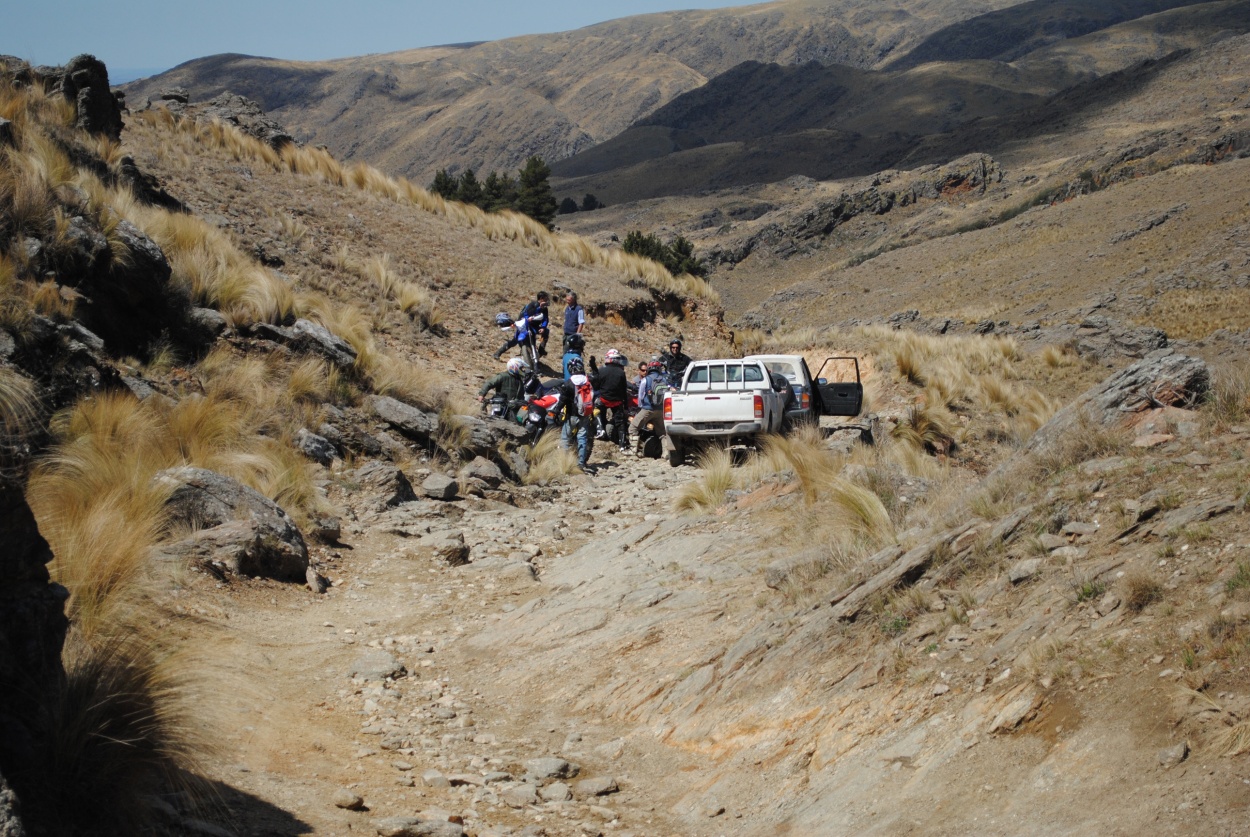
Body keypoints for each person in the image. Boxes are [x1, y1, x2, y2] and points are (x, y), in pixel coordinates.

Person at [557, 356, 595, 472]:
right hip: (585, 414)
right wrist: (593, 366)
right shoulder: (588, 381)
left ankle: (564, 463)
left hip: (571, 415)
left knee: (565, 438)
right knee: (582, 438)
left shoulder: (569, 383)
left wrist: (555, 411)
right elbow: (597, 378)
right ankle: (581, 463)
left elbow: (563, 400)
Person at [590, 349, 629, 452]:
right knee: (620, 423)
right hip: (617, 401)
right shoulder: (621, 372)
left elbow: (596, 386)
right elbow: (624, 389)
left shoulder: (601, 370)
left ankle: (600, 429)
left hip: (604, 399)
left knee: (596, 409)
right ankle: (622, 445)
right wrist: (625, 405)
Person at [495, 290, 550, 360]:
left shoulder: (545, 309)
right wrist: (539, 308)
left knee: (546, 332)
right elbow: (527, 315)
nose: (547, 300)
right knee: (515, 341)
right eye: (545, 299)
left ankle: (541, 350)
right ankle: (498, 353)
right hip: (525, 325)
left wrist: (543, 327)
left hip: (534, 327)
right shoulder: (532, 305)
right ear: (541, 298)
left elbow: (545, 319)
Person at [631, 358, 667, 457]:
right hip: (660, 410)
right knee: (663, 433)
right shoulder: (664, 379)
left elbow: (641, 395)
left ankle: (634, 451)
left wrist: (640, 406)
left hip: (648, 408)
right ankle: (666, 453)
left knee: (633, 427)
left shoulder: (645, 380)